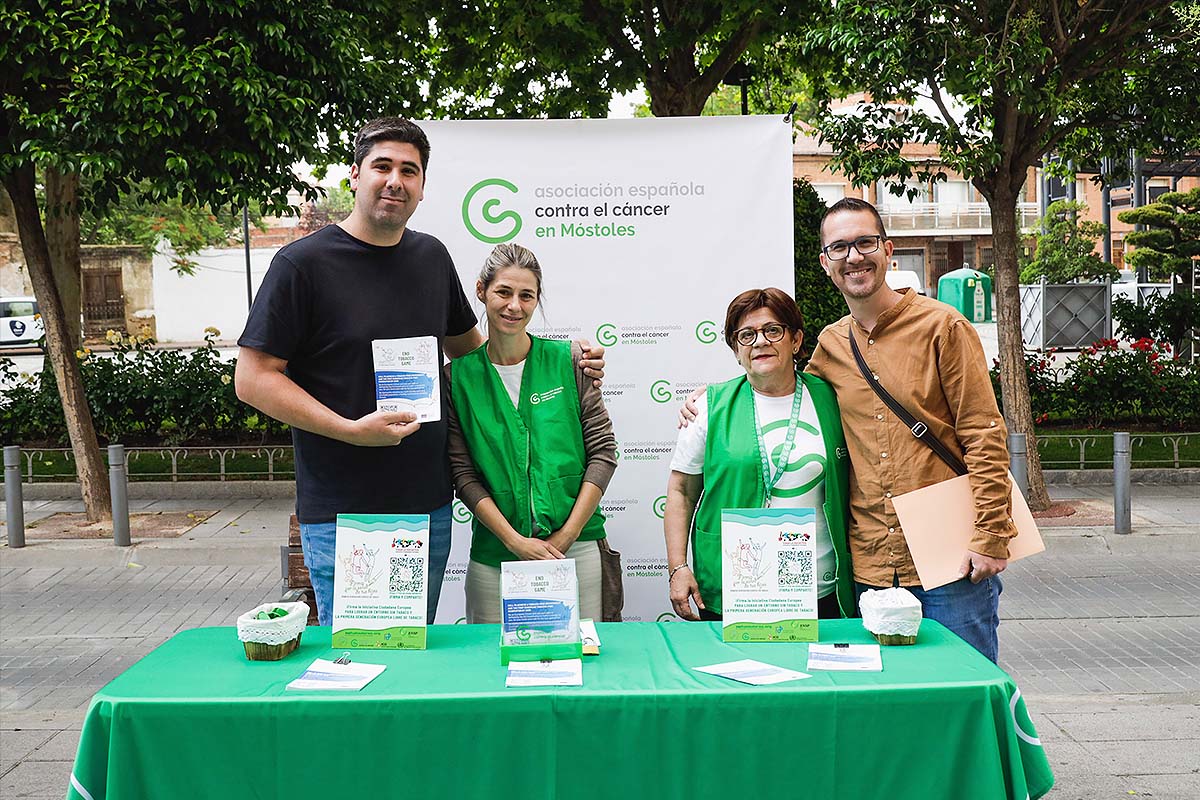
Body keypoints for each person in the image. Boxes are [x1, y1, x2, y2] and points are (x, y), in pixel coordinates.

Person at [235, 117, 604, 626]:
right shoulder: (302, 265)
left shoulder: (430, 258)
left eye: (409, 171)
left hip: (426, 507)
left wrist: (567, 358)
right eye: (382, 166)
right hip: (344, 511)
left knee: (414, 657)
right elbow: (253, 378)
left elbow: (481, 355)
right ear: (355, 175)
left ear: (423, 187)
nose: (395, 181)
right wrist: (349, 431)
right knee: (358, 661)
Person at [807, 197, 1015, 662]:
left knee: (961, 691)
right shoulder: (830, 345)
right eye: (839, 247)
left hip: (952, 561)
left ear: (888, 249)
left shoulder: (943, 326)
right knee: (883, 705)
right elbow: (783, 393)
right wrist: (712, 397)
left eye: (865, 242)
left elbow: (983, 433)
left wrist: (991, 535)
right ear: (825, 263)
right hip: (870, 565)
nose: (854, 256)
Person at [446, 243, 618, 623]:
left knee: (583, 663)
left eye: (527, 296)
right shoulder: (456, 378)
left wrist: (565, 537)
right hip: (496, 554)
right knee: (494, 669)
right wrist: (514, 541)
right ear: (481, 291)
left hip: (577, 546)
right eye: (503, 292)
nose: (514, 306)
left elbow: (603, 453)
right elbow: (463, 474)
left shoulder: (571, 361)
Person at [663, 288, 854, 622]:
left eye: (772, 330)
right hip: (735, 585)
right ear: (736, 350)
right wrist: (678, 567)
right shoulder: (709, 407)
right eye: (746, 335)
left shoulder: (832, 399)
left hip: (820, 587)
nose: (760, 342)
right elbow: (680, 491)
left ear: (795, 341)